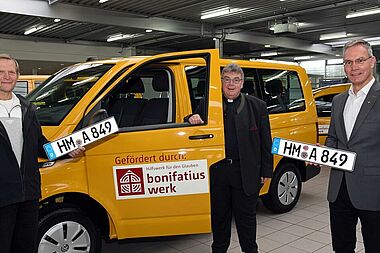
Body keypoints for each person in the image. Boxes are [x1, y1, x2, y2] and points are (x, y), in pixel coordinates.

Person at [0, 54, 84, 253]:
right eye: (1, 72)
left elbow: (40, 145)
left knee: (25, 246)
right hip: (2, 195)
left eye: (11, 72)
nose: (6, 76)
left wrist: (66, 150)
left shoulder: (27, 108)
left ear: (18, 75)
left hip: (28, 194)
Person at [187, 63, 273, 253]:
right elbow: (192, 126)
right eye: (227, 80)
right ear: (221, 82)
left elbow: (266, 142)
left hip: (246, 173)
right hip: (218, 173)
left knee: (247, 222)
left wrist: (267, 171)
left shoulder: (257, 106)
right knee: (219, 220)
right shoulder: (209, 105)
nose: (231, 85)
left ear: (242, 83)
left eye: (236, 80)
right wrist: (191, 118)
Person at [325, 39, 380, 253]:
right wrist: (322, 154)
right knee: (341, 246)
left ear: (372, 61)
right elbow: (333, 138)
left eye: (359, 60)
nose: (353, 67)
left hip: (374, 191)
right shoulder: (338, 100)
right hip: (339, 190)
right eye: (348, 62)